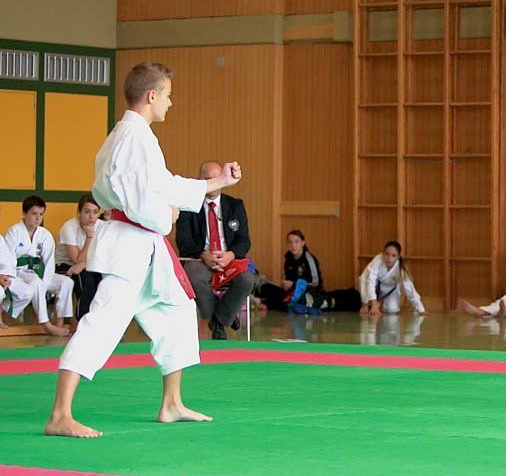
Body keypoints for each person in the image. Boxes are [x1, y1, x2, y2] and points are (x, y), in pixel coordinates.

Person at [45, 62, 243, 438]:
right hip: (130, 243)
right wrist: (167, 215)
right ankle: (60, 414)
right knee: (102, 323)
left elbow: (163, 184)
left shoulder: (133, 136)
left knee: (177, 311)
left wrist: (215, 182)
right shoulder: (133, 138)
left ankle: (172, 403)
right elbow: (140, 199)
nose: (170, 102)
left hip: (145, 245)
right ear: (152, 95)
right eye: (167, 95)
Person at [175, 161, 254, 340]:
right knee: (194, 278)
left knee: (247, 279)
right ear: (200, 180)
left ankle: (218, 320)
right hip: (199, 258)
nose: (212, 182)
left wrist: (230, 255)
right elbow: (183, 241)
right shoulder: (188, 206)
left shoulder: (235, 205)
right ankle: (223, 317)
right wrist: (204, 255)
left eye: (216, 178)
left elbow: (244, 241)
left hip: (229, 258)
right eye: (207, 178)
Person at [5, 196, 74, 336]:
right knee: (35, 282)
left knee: (66, 282)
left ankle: (59, 322)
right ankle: (46, 324)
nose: (37, 218)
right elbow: (8, 260)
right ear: (24, 213)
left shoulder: (45, 235)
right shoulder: (14, 232)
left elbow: (49, 263)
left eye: (41, 214)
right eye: (34, 213)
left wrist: (45, 283)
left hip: (38, 272)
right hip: (19, 273)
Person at [256, 230, 361, 313]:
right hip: (293, 293)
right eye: (290, 242)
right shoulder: (288, 259)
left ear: (302, 243)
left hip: (310, 293)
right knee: (266, 287)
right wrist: (286, 284)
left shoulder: (309, 259)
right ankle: (267, 302)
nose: (293, 245)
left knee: (291, 303)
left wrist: (294, 284)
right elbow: (288, 280)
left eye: (296, 242)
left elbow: (316, 283)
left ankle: (269, 303)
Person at [55, 194, 104, 320]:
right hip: (65, 265)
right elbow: (76, 259)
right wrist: (89, 237)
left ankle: (99, 319)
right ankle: (82, 319)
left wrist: (84, 264)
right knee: (87, 279)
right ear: (79, 212)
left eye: (95, 212)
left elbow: (104, 256)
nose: (91, 217)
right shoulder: (69, 227)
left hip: (88, 264)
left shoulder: (102, 226)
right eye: (87, 212)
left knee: (102, 278)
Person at [359, 241, 425, 316]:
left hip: (390, 289)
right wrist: (373, 304)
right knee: (366, 276)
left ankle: (379, 304)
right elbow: (371, 280)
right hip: (376, 284)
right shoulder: (378, 260)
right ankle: (366, 303)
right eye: (387, 254)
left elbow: (409, 289)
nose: (389, 258)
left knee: (391, 309)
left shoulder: (400, 269)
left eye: (393, 256)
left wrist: (421, 310)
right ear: (383, 253)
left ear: (398, 257)